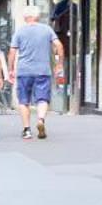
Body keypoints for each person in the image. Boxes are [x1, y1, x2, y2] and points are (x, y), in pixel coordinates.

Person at [9, 8, 62, 140]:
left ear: (25, 17)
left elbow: (12, 52)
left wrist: (10, 69)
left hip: (24, 71)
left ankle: (27, 129)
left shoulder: (19, 31)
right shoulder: (47, 29)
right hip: (43, 70)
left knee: (23, 100)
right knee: (43, 98)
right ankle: (41, 119)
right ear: (37, 17)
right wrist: (59, 64)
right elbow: (59, 45)